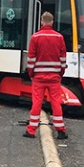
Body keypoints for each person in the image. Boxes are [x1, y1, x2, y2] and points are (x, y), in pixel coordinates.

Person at [24, 11, 68, 140]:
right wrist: (60, 73)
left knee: (37, 102)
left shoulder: (35, 37)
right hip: (54, 77)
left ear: (42, 22)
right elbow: (63, 58)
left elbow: (31, 59)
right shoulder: (59, 37)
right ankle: (60, 130)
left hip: (39, 77)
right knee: (56, 102)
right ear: (52, 22)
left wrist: (31, 73)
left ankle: (31, 130)